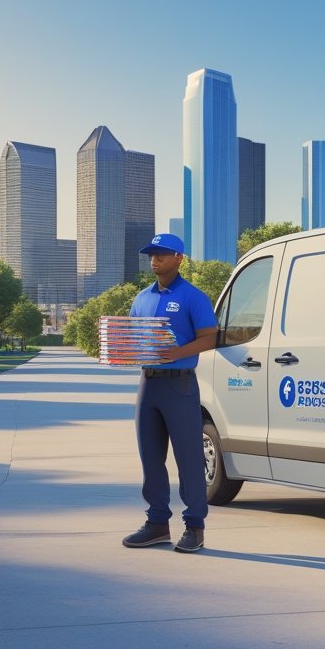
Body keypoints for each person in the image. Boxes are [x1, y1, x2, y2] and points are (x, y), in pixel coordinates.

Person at [122, 233, 219, 553]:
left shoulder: (193, 297)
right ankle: (157, 523)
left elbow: (209, 338)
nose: (155, 259)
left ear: (179, 257)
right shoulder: (141, 297)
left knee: (189, 459)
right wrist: (120, 349)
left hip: (179, 384)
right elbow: (134, 336)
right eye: (151, 254)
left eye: (162, 254)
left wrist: (176, 353)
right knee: (150, 458)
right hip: (148, 385)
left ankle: (194, 527)